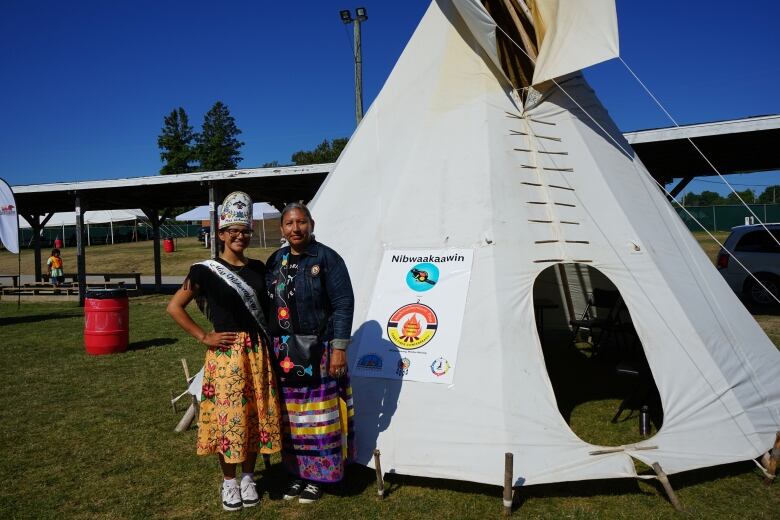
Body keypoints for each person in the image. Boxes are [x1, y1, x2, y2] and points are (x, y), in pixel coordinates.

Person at [167, 191, 281, 512]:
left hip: (257, 353)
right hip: (227, 355)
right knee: (228, 418)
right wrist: (204, 336)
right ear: (220, 234)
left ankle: (248, 477)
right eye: (233, 231)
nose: (239, 236)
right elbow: (175, 307)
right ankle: (229, 482)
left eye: (244, 230)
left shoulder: (260, 268)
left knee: (255, 415)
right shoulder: (202, 270)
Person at [265, 202, 355, 504]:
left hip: (321, 349)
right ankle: (297, 473)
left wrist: (339, 348)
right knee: (293, 419)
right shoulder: (275, 260)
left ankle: (319, 476)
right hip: (286, 353)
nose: (296, 229)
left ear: (311, 224)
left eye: (301, 222)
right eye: (289, 224)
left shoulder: (327, 258)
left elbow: (343, 303)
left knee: (320, 417)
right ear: (282, 229)